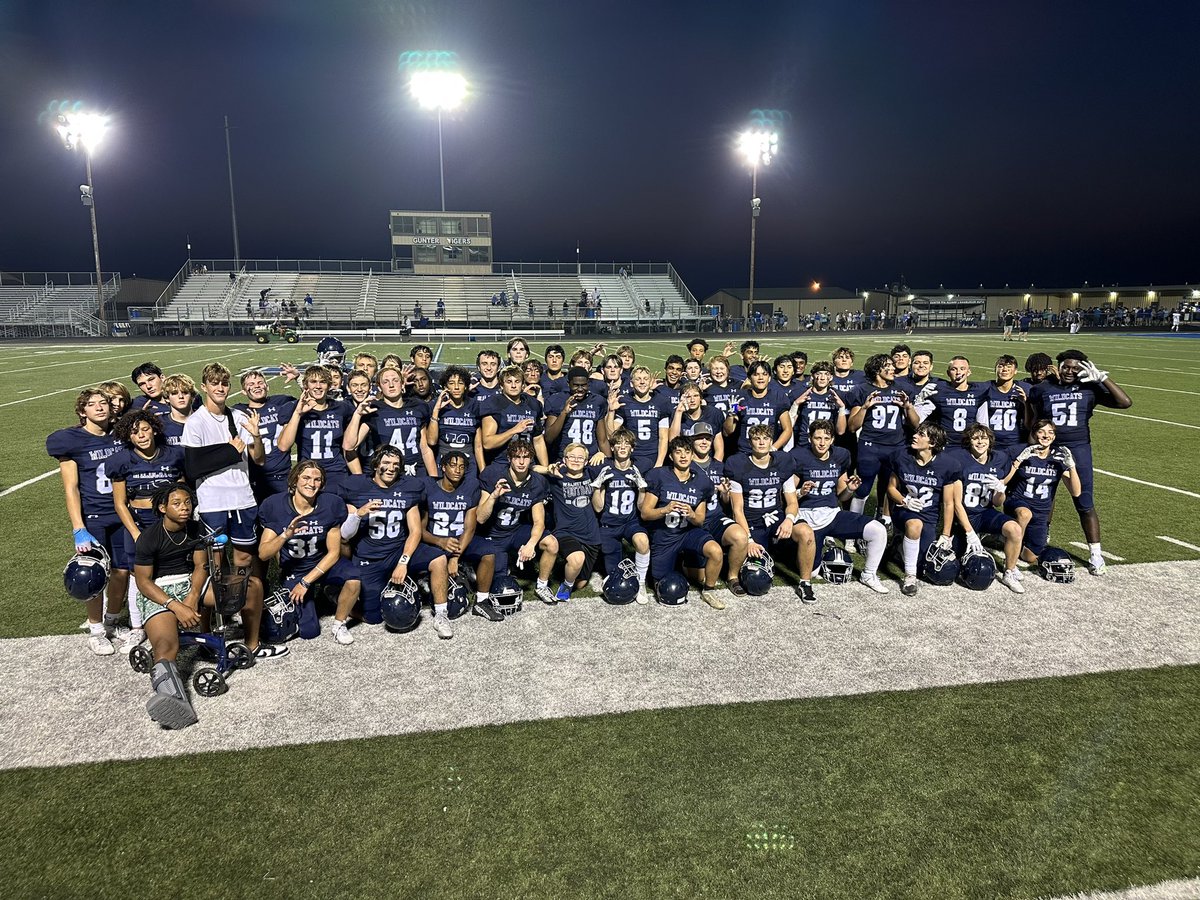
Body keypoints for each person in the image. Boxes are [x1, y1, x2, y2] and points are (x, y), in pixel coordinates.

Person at [134, 485, 277, 729]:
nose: (185, 508)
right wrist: (175, 606)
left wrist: (192, 597)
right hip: (159, 591)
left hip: (190, 584)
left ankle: (252, 644)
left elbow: (201, 567)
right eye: (177, 503)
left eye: (188, 502)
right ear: (162, 508)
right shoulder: (149, 537)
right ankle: (171, 698)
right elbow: (143, 582)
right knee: (167, 646)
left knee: (250, 585)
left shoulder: (196, 529)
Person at [335, 445, 454, 640]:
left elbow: (415, 531)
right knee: (373, 617)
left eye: (396, 465)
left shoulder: (408, 487)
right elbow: (345, 536)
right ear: (375, 465)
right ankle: (335, 597)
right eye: (386, 463)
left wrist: (403, 561)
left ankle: (441, 614)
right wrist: (358, 514)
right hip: (369, 558)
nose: (391, 468)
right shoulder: (357, 488)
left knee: (439, 559)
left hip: (398, 550)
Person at [1029, 350, 1132, 574]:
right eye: (1066, 366)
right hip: (1048, 449)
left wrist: (1103, 378)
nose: (1070, 371)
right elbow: (1035, 422)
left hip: (1078, 450)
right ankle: (1041, 536)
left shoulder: (1090, 388)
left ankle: (1096, 553)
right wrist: (1032, 449)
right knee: (1044, 497)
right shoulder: (1042, 390)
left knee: (1084, 502)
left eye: (1076, 368)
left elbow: (1125, 402)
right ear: (1058, 367)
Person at [48, 388, 129, 655]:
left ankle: (112, 620)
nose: (99, 408)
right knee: (93, 575)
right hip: (93, 517)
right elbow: (70, 488)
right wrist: (78, 527)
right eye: (92, 404)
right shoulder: (71, 441)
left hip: (122, 514)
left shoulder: (119, 434)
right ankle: (95, 629)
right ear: (82, 412)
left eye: (103, 403)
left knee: (121, 572)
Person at [109, 410, 186, 652]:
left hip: (169, 523)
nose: (141, 435)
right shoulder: (121, 460)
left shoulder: (174, 455)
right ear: (128, 437)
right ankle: (137, 627)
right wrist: (134, 532)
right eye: (134, 432)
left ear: (153, 429)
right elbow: (120, 503)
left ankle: (174, 618)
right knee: (137, 576)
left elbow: (182, 492)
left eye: (144, 429)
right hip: (140, 522)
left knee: (174, 569)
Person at [790, 419, 890, 594]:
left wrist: (850, 490)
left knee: (878, 530)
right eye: (817, 438)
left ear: (833, 439)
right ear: (810, 438)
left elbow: (841, 494)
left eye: (826, 438)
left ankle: (869, 574)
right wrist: (801, 493)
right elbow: (788, 498)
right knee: (811, 572)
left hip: (832, 514)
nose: (822, 443)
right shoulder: (799, 456)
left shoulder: (841, 455)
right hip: (807, 518)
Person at [725, 424, 815, 603]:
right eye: (757, 439)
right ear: (750, 442)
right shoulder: (738, 464)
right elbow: (737, 509)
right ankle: (732, 577)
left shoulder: (783, 462)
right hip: (752, 523)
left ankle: (805, 583)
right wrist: (749, 540)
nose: (761, 442)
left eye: (765, 438)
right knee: (751, 564)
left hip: (776, 519)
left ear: (771, 441)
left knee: (806, 532)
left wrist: (789, 519)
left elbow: (791, 501)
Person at [258, 461, 348, 640]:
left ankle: (334, 600)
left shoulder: (331, 504)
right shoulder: (275, 505)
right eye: (306, 478)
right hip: (295, 569)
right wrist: (285, 535)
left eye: (317, 479)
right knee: (309, 632)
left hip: (322, 565)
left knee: (354, 577)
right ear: (294, 480)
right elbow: (263, 554)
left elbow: (334, 552)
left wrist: (306, 583)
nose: (311, 483)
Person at [886, 422, 971, 597]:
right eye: (917, 432)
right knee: (914, 525)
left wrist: (945, 535)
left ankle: (898, 546)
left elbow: (948, 504)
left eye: (921, 434)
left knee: (924, 564)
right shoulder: (901, 455)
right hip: (904, 510)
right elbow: (891, 489)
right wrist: (905, 500)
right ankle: (909, 577)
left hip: (929, 517)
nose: (915, 436)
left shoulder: (947, 464)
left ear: (932, 443)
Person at [641, 436, 723, 607]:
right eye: (678, 452)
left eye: (687, 452)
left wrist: (692, 514)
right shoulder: (659, 475)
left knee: (715, 551)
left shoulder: (702, 481)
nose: (683, 456)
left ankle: (709, 591)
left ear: (692, 455)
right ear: (671, 456)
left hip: (688, 532)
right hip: (665, 536)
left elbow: (700, 520)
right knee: (661, 584)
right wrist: (665, 509)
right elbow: (646, 514)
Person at [421, 449, 503, 621]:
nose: (457, 470)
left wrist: (455, 557)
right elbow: (420, 531)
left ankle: (482, 602)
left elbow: (470, 528)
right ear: (443, 467)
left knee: (488, 551)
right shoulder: (428, 487)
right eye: (452, 465)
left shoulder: (470, 486)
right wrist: (440, 542)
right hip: (435, 542)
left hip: (461, 541)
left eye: (461, 466)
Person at [846, 354, 920, 525]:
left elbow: (916, 424)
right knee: (863, 488)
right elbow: (852, 427)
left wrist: (908, 407)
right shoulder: (862, 390)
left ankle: (883, 519)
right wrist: (865, 407)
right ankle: (854, 527)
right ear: (876, 369)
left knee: (890, 486)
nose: (893, 368)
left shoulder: (903, 389)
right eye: (888, 365)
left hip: (896, 447)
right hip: (870, 447)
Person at [953, 424, 1026, 592]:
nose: (980, 442)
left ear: (990, 440)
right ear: (969, 441)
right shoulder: (959, 459)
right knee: (954, 563)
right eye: (975, 438)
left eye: (984, 438)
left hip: (986, 512)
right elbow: (956, 503)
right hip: (964, 515)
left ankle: (1009, 571)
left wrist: (1000, 489)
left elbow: (998, 502)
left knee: (1014, 529)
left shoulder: (998, 459)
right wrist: (970, 532)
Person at [1002, 420, 1081, 564]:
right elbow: (1003, 482)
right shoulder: (1021, 451)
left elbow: (1076, 492)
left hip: (1041, 511)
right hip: (1017, 502)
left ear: (1055, 436)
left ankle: (1013, 540)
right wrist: (1017, 462)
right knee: (1025, 514)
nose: (1046, 435)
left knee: (1030, 557)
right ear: (1034, 434)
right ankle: (1012, 544)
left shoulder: (1058, 457)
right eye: (1041, 432)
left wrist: (1072, 467)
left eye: (1050, 432)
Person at [476, 438, 553, 585]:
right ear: (509, 459)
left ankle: (542, 585)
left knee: (551, 543)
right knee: (499, 580)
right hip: (493, 535)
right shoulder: (493, 474)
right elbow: (480, 518)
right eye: (517, 457)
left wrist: (530, 544)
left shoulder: (538, 482)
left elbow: (539, 521)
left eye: (526, 457)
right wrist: (493, 496)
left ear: (531, 459)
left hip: (515, 530)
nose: (522, 462)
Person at [533, 443, 603, 604]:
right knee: (577, 559)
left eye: (580, 458)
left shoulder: (591, 474)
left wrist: (602, 455)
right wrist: (547, 469)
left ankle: (570, 577)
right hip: (565, 532)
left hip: (590, 535)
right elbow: (531, 468)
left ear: (586, 462)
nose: (576, 460)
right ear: (564, 459)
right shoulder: (556, 476)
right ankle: (566, 585)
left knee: (581, 583)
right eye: (571, 457)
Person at [590, 427, 652, 604]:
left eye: (626, 444)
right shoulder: (604, 468)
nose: (622, 447)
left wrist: (641, 489)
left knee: (642, 541)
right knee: (615, 574)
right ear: (612, 448)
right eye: (618, 443)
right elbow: (598, 507)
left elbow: (641, 507)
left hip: (630, 521)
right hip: (608, 525)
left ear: (632, 448)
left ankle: (640, 583)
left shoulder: (639, 468)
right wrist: (597, 486)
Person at [343, 365, 435, 479]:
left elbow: (425, 448)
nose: (391, 385)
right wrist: (357, 415)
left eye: (395, 380)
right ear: (379, 387)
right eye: (385, 382)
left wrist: (433, 478)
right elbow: (349, 446)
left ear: (402, 384)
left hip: (416, 471)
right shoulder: (374, 410)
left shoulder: (418, 406)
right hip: (388, 474)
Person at [277, 365, 355, 495]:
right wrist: (298, 414)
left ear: (329, 385)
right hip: (308, 473)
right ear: (305, 384)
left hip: (335, 472)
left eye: (323, 382)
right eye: (313, 382)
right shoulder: (292, 408)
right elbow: (283, 446)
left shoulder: (342, 408)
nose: (318, 386)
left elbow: (350, 444)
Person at [235, 368, 298, 502]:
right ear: (243, 391)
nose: (256, 386)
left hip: (282, 476)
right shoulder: (238, 411)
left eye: (260, 382)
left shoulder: (282, 402)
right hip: (254, 477)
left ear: (267, 386)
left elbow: (310, 398)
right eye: (250, 384)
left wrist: (298, 378)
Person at [480, 365, 549, 468]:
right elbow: (487, 443)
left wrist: (545, 468)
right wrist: (514, 430)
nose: (513, 386)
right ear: (502, 385)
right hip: (503, 463)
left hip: (527, 463)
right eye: (509, 382)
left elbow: (538, 440)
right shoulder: (493, 404)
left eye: (517, 382)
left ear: (523, 385)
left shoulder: (533, 404)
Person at [725, 360, 793, 455]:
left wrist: (774, 447)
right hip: (746, 451)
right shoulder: (740, 397)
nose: (761, 378)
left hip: (768, 452)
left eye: (764, 374)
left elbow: (788, 429)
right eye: (756, 374)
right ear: (749, 377)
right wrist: (731, 415)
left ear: (769, 378)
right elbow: (728, 431)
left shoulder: (778, 397)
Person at [544, 367, 611, 463]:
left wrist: (609, 463)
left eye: (583, 385)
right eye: (576, 385)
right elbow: (549, 438)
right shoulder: (557, 400)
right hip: (565, 459)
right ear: (568, 384)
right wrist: (564, 413)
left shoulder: (597, 401)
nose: (580, 389)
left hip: (589, 459)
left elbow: (603, 440)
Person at [428, 366, 485, 474]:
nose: (456, 387)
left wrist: (483, 471)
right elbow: (431, 441)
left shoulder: (474, 406)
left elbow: (478, 445)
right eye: (451, 383)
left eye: (460, 383)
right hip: (444, 460)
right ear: (445, 386)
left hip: (468, 461)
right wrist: (436, 411)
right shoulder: (435, 405)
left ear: (466, 386)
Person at [974, 355, 1028, 452]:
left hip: (1015, 443)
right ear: (995, 369)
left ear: (1016, 371)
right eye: (1001, 366)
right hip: (992, 443)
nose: (1004, 369)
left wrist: (1025, 403)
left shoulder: (1023, 389)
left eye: (1009, 366)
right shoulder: (986, 388)